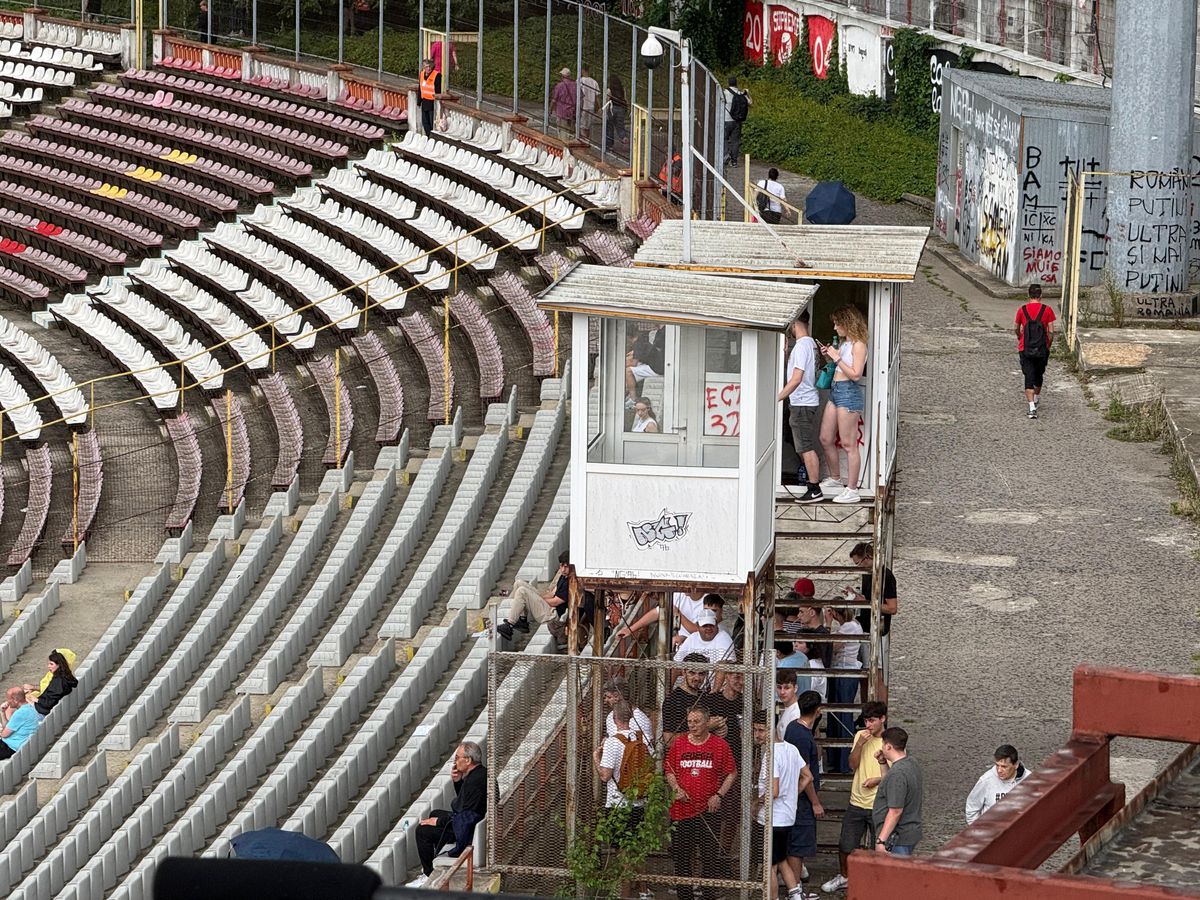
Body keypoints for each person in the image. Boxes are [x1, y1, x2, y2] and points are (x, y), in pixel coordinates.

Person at [665, 705, 737, 900]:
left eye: (696, 721)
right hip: (682, 810)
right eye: (689, 721)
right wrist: (676, 788)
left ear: (707, 722)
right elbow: (669, 769)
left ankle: (708, 894)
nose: (692, 725)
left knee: (709, 857)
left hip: (708, 810)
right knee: (682, 857)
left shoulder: (719, 745)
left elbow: (731, 772)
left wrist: (719, 795)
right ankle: (685, 895)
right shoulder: (679, 743)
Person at [821, 702, 887, 894]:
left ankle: (876, 883)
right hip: (857, 801)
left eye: (872, 720)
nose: (868, 725)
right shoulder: (860, 736)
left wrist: (876, 780)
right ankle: (845, 877)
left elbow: (896, 773)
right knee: (846, 844)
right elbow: (852, 764)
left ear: (882, 719)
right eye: (866, 720)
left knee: (879, 847)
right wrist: (859, 745)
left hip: (878, 804)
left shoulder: (890, 741)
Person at [750, 710, 812, 900]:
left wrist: (756, 803)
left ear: (772, 728)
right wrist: (792, 794)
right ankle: (795, 894)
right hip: (786, 816)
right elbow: (807, 776)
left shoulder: (771, 754)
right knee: (781, 859)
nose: (757, 735)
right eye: (755, 730)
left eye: (761, 730)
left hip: (773, 818)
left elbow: (774, 791)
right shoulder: (791, 749)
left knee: (770, 865)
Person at [408, 742, 487, 887]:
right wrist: (458, 782)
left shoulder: (474, 782)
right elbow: (465, 804)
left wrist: (439, 822)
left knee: (422, 831)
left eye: (457, 758)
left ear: (468, 760)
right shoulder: (480, 773)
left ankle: (429, 874)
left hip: (469, 829)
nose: (455, 762)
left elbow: (465, 816)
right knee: (435, 813)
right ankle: (436, 857)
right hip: (472, 822)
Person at [818, 305, 869, 505]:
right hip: (836, 390)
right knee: (825, 438)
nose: (835, 328)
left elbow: (856, 374)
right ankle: (836, 478)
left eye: (837, 324)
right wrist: (829, 356)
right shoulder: (845, 343)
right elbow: (839, 367)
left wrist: (837, 358)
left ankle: (852, 489)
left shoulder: (859, 345)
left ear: (848, 323)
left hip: (848, 393)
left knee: (849, 444)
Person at [779, 311, 823, 503]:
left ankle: (814, 488)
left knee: (805, 446)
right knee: (800, 444)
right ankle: (810, 481)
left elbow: (796, 379)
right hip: (805, 401)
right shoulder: (810, 344)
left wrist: (777, 398)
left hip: (802, 403)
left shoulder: (801, 347)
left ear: (794, 322)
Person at [783, 691, 824, 889]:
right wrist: (815, 803)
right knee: (798, 847)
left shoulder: (793, 728)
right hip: (801, 800)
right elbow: (805, 775)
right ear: (818, 711)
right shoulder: (802, 737)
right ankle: (795, 888)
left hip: (794, 796)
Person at [846, 542, 897, 700]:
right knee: (864, 673)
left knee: (877, 674)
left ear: (867, 557)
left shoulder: (886, 576)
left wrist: (866, 602)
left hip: (878, 630)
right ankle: (865, 708)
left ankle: (881, 708)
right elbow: (868, 599)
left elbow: (892, 607)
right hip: (864, 627)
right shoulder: (866, 574)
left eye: (858, 563)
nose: (858, 567)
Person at [496, 550, 569, 641]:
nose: (563, 570)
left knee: (522, 591)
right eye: (561, 566)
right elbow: (552, 594)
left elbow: (555, 602)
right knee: (519, 583)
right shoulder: (563, 576)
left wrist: (536, 599)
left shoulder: (570, 582)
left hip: (552, 615)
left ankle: (509, 625)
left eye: (566, 567)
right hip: (548, 607)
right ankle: (522, 620)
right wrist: (536, 597)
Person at [872, 727, 923, 856]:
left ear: (888, 746)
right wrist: (882, 762)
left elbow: (895, 811)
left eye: (883, 745)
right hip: (910, 832)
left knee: (894, 869)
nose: (882, 748)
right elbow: (888, 782)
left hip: (897, 838)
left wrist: (881, 840)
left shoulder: (897, 774)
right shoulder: (911, 763)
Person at [823, 607, 863, 772]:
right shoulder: (853, 624)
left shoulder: (848, 627)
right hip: (842, 671)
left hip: (845, 672)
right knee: (836, 714)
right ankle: (836, 757)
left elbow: (832, 647)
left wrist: (827, 625)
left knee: (843, 715)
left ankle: (844, 761)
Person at [1016, 283, 1055, 419]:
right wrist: (1048, 345)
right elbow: (1051, 332)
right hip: (1042, 348)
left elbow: (1016, 328)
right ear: (1041, 295)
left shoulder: (1022, 310)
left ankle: (1032, 407)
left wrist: (1020, 337)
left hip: (1025, 348)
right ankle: (1036, 398)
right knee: (1039, 375)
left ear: (1028, 295)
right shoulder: (1047, 310)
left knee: (1028, 376)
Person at [965, 744, 1031, 824]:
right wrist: (979, 830)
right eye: (997, 765)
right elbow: (972, 809)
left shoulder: (1030, 780)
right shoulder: (986, 781)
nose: (999, 770)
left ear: (1016, 765)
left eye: (1004, 767)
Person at [662, 654, 708, 747]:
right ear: (683, 672)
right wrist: (706, 728)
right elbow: (669, 740)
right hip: (683, 753)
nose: (697, 678)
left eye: (701, 674)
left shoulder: (704, 696)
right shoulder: (673, 700)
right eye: (692, 673)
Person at [33, 650, 77, 718]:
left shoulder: (58, 681)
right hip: (45, 709)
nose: (48, 666)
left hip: (42, 711)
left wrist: (37, 700)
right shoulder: (66, 678)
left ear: (59, 665)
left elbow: (50, 702)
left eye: (51, 664)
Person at [0, 687, 38, 760]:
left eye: (8, 699)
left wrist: (1, 732)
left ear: (15, 700)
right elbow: (7, 727)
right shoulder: (29, 708)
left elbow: (4, 734)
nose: (7, 701)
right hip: (18, 744)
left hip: (10, 747)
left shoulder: (20, 713)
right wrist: (2, 712)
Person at [723, 76, 750, 166]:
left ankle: (726, 156)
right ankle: (734, 161)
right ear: (736, 83)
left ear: (728, 83)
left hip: (726, 120)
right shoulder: (740, 93)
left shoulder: (724, 92)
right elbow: (750, 103)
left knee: (724, 139)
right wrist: (748, 94)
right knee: (735, 141)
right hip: (737, 121)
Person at [417, 57, 441, 136]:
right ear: (423, 67)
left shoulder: (436, 75)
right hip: (424, 101)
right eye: (426, 66)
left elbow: (438, 91)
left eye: (430, 66)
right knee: (425, 122)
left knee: (431, 122)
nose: (428, 68)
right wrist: (419, 101)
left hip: (432, 102)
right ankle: (428, 136)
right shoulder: (422, 74)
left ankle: (431, 137)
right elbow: (420, 88)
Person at [551, 67, 577, 138]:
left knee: (562, 133)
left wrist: (550, 109)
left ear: (562, 76)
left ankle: (564, 144)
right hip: (573, 112)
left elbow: (554, 99)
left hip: (562, 113)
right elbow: (581, 98)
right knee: (571, 133)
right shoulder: (575, 85)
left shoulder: (559, 86)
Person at [605, 73, 628, 151]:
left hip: (612, 109)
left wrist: (605, 112)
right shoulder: (622, 89)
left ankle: (610, 145)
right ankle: (624, 138)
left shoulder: (609, 90)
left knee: (609, 127)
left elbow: (607, 100)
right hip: (621, 109)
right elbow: (625, 99)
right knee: (620, 126)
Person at [578, 65, 600, 141]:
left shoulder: (580, 81)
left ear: (583, 70)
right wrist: (598, 107)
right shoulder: (594, 82)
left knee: (582, 125)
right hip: (591, 106)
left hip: (582, 106)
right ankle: (587, 140)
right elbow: (597, 96)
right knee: (588, 126)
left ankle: (585, 141)